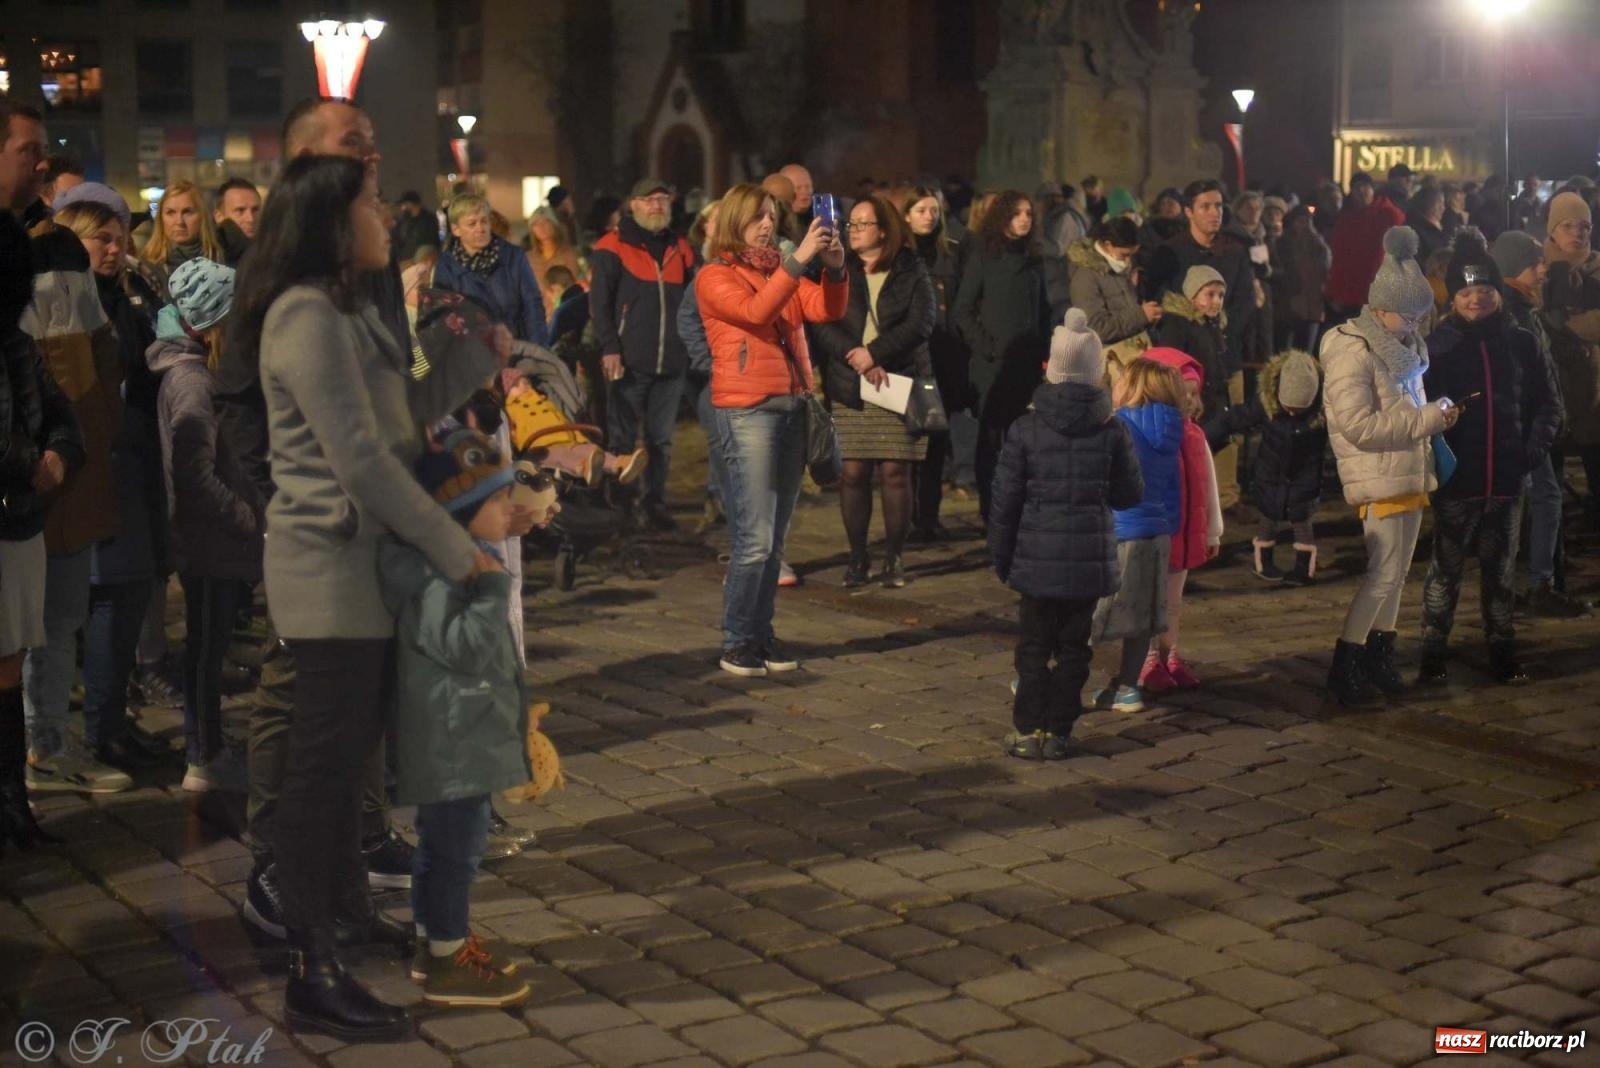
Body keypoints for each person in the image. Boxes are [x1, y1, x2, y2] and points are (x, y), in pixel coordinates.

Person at [234, 154, 502, 1041]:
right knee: (321, 778)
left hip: (370, 573)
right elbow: (359, 460)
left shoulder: (351, 312)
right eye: (372, 205)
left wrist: (470, 360)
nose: (386, 216)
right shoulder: (304, 316)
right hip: (330, 575)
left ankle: (338, 933)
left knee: (352, 771)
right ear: (331, 222)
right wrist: (455, 548)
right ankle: (311, 970)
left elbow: (400, 419)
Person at [232, 98, 422, 949]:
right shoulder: (284, 273)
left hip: (367, 531)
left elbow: (389, 383)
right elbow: (246, 406)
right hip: (311, 529)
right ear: (307, 158)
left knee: (355, 720)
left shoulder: (362, 252)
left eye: (373, 143)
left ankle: (350, 876)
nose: (373, 157)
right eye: (355, 145)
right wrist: (284, 508)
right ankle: (283, 877)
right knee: (301, 710)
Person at [379, 428, 532, 1009]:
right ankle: (444, 956)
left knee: (447, 846)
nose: (509, 509)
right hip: (451, 740)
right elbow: (463, 646)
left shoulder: (465, 559)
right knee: (453, 850)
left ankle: (437, 940)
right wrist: (493, 592)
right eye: (497, 501)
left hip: (465, 730)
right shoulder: (444, 573)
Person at [7, 109, 131, 797]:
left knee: (57, 619)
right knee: (35, 627)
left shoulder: (55, 252)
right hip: (39, 469)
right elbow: (58, 373)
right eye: (30, 151)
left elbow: (90, 372)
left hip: (66, 466)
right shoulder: (39, 252)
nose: (42, 164)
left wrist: (83, 447)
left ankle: (44, 746)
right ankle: (40, 746)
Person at [697, 183, 846, 677]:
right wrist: (798, 260)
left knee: (777, 539)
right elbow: (755, 314)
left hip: (792, 406)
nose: (768, 224)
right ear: (735, 220)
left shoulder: (775, 269)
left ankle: (761, 637)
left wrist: (836, 267)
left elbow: (826, 310)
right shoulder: (716, 276)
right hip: (748, 410)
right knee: (754, 537)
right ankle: (736, 641)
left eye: (772, 216)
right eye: (758, 216)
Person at [52, 196, 172, 771]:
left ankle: (113, 722)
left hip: (132, 464)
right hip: (99, 471)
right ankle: (99, 731)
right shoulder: (66, 304)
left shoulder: (125, 298)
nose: (114, 246)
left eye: (119, 235)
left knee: (130, 598)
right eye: (100, 237)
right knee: (111, 600)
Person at [989, 309, 1142, 760]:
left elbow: (1004, 503)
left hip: (1035, 561)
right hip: (1089, 561)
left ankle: (1026, 730)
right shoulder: (1112, 431)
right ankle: (1059, 731)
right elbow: (1130, 493)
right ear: (1095, 373)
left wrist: (1002, 558)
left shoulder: (1024, 429)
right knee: (1076, 647)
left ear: (1052, 370)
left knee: (1034, 646)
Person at [1320, 226, 1457, 706]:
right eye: (1410, 316)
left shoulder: (1404, 348)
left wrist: (1436, 415)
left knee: (1398, 574)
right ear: (1380, 309)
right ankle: (1348, 662)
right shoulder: (1352, 348)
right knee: (1382, 571)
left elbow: (1405, 411)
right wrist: (1425, 419)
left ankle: (1379, 656)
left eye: (1423, 316)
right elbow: (1358, 425)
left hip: (1408, 469)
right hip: (1378, 475)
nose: (1418, 325)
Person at [1419, 230, 1561, 686]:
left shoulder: (1520, 341)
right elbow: (1417, 405)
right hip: (1457, 477)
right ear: (1453, 297)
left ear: (1497, 293)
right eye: (1466, 291)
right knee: (1445, 571)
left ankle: (1502, 647)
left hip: (1506, 476)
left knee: (1500, 573)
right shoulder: (1438, 346)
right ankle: (1432, 651)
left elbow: (1548, 403)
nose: (1476, 298)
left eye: (1484, 290)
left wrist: (1530, 451)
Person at [147, 257, 263, 792]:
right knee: (206, 649)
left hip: (209, 538)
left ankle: (207, 744)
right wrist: (245, 517)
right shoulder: (192, 381)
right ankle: (204, 754)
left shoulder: (190, 371)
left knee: (207, 646)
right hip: (210, 539)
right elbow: (193, 473)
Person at [0, 209, 82, 851]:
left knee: (14, 654)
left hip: (22, 518)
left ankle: (12, 801)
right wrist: (33, 463)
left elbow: (59, 408)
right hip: (12, 504)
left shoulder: (19, 341)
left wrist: (56, 454)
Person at [814, 195, 936, 589]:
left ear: (883, 229)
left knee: (896, 473)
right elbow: (821, 319)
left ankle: (894, 558)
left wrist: (876, 353)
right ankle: (857, 556)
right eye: (850, 224)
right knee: (852, 472)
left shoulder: (910, 267)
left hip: (897, 379)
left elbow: (921, 323)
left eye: (862, 224)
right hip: (850, 382)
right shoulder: (837, 267)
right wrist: (856, 357)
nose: (853, 231)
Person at [588, 178, 696, 530]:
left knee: (660, 440)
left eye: (663, 199)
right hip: (629, 361)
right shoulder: (611, 247)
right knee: (622, 439)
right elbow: (600, 305)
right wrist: (610, 348)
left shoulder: (681, 247)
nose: (657, 206)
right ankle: (622, 506)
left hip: (672, 361)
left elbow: (696, 300)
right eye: (649, 200)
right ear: (632, 204)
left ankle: (654, 503)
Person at [1491, 230, 1583, 616]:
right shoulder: (1514, 314)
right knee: (1534, 501)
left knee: (1535, 502)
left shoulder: (1524, 307)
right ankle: (1532, 584)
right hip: (1524, 428)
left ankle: (1517, 584)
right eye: (1535, 264)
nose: (1542, 269)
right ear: (1516, 269)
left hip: (1532, 425)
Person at [1088, 359, 1185, 713]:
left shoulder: (1119, 426)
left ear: (1134, 387)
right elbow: (1174, 487)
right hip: (1156, 533)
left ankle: (1055, 676)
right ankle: (1128, 688)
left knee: (1094, 610)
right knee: (1141, 615)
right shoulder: (1173, 429)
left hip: (1121, 529)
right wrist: (1169, 526)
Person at [952, 190, 1052, 522]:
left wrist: (1046, 352)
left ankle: (1020, 509)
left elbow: (1043, 310)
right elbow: (963, 310)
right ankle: (991, 511)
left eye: (1028, 213)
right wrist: (989, 348)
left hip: (1027, 365)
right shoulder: (984, 256)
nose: (1024, 219)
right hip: (993, 366)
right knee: (992, 439)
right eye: (1016, 213)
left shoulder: (1035, 259)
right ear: (1002, 217)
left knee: (1024, 440)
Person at [1138, 348, 1222, 695]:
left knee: (1173, 601)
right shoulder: (1145, 435)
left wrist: (1213, 530)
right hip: (1155, 533)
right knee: (1147, 599)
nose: (1189, 400)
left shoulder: (1195, 436)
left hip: (1187, 532)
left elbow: (1209, 485)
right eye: (1182, 393)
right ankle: (1145, 659)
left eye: (1193, 393)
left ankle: (1170, 653)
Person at [903, 185, 967, 542]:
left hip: (945, 358)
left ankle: (928, 515)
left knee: (937, 440)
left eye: (933, 210)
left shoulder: (951, 254)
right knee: (910, 440)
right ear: (906, 215)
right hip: (911, 359)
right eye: (921, 209)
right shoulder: (899, 255)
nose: (929, 216)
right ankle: (909, 514)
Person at [1232, 350, 1329, 585]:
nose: (1293, 413)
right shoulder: (1266, 403)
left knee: (1302, 518)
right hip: (1270, 471)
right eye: (1289, 407)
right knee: (1268, 514)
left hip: (1305, 475)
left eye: (1300, 409)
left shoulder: (1324, 411)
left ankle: (1304, 568)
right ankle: (1263, 562)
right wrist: (1207, 436)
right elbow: (1234, 419)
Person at [1542, 192, 1600, 524]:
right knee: (1553, 447)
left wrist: (1567, 326)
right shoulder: (1539, 268)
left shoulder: (1597, 267)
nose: (1577, 234)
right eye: (1568, 226)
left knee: (1593, 445)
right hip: (1552, 377)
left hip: (1591, 379)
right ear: (1553, 230)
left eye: (1584, 227)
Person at [433, 194, 548, 346]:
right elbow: (443, 318)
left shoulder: (513, 256)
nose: (480, 228)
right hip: (472, 357)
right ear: (456, 229)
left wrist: (538, 351)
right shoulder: (447, 266)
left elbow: (532, 305)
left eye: (484, 221)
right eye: (472, 224)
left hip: (516, 348)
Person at [1153, 267, 1233, 464]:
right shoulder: (1177, 324)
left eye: (1221, 295)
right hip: (1193, 407)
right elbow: (1171, 365)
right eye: (1210, 294)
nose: (1217, 301)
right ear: (1192, 295)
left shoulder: (1212, 325)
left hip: (1212, 406)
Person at [1069, 216, 1161, 382]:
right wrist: (1140, 316)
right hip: (1108, 368)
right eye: (1124, 255)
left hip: (1130, 361)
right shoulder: (1086, 277)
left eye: (1132, 255)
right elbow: (1096, 327)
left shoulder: (1120, 268)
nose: (1127, 261)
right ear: (1107, 245)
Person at [1326, 171, 1406, 325]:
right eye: (1357, 188)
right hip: (1352, 290)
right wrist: (1336, 292)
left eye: (1365, 186)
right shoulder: (1346, 219)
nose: (1362, 191)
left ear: (1372, 189)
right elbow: (1340, 257)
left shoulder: (1387, 214)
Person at [138, 180, 224, 302]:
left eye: (187, 212)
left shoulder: (221, 259)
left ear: (202, 217)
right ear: (161, 218)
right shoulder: (147, 268)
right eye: (170, 213)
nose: (179, 222)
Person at [1276, 205, 1331, 353]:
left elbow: (1325, 269)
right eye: (1299, 220)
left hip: (1312, 306)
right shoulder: (1283, 243)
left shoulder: (1318, 244)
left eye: (1306, 220)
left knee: (1305, 354)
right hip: (1289, 306)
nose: (1302, 224)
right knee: (1285, 354)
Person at [526, 206, 583, 290]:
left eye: (546, 222)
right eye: (536, 224)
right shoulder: (528, 258)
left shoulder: (569, 254)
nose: (541, 227)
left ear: (554, 225)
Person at [214, 176, 263, 247]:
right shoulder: (209, 255)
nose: (250, 219)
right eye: (240, 210)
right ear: (219, 217)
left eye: (255, 210)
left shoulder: (274, 253)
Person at [391, 191, 439, 263]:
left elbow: (431, 240)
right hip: (405, 261)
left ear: (411, 203)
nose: (402, 207)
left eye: (404, 204)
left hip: (423, 260)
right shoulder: (404, 221)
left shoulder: (428, 219)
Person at [1408, 187, 1449, 266]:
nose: (1443, 208)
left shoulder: (1435, 228)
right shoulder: (1416, 233)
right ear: (1428, 204)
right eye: (1440, 203)